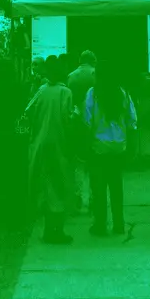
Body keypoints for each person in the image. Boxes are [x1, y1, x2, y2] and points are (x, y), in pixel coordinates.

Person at [24, 58, 76, 244]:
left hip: (40, 145)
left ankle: (47, 230)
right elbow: (69, 120)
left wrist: (36, 129)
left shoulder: (42, 90)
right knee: (60, 187)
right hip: (59, 145)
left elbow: (28, 111)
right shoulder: (65, 92)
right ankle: (58, 231)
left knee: (46, 187)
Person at [83, 68, 138, 236]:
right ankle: (119, 224)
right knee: (116, 187)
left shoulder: (93, 93)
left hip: (98, 147)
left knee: (98, 189)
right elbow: (132, 120)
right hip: (118, 148)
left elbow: (87, 120)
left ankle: (100, 225)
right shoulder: (122, 93)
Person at [68, 50, 98, 213]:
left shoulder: (71, 76)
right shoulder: (96, 75)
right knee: (94, 162)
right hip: (95, 124)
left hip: (77, 123)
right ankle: (94, 197)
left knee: (79, 162)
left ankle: (78, 196)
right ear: (93, 60)